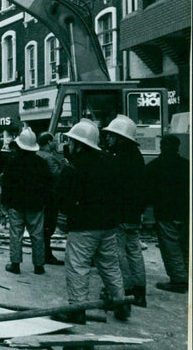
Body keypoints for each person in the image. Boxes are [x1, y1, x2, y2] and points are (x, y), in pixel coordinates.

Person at [53, 119, 130, 324]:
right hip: (108, 224)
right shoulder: (109, 162)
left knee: (78, 266)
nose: (68, 145)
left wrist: (68, 213)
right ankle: (120, 302)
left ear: (79, 144)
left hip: (83, 225)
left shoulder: (73, 168)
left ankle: (77, 309)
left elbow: (62, 198)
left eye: (70, 141)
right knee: (109, 264)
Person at [102, 115, 148, 307]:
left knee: (118, 253)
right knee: (134, 251)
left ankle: (126, 289)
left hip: (120, 214)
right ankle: (139, 292)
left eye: (111, 136)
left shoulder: (118, 160)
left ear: (120, 138)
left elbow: (113, 188)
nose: (108, 139)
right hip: (133, 214)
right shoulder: (136, 157)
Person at [0, 127, 52, 275]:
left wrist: (4, 204)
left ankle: (15, 264)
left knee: (16, 235)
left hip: (16, 204)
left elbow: (6, 185)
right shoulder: (41, 163)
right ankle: (39, 265)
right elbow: (48, 185)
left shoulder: (12, 162)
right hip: (35, 205)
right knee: (37, 235)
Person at [144, 135, 189, 293]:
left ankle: (178, 280)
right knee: (185, 246)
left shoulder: (155, 166)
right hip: (185, 213)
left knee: (171, 247)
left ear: (162, 147)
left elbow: (147, 191)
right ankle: (187, 275)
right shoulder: (186, 165)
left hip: (165, 213)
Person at [36, 132, 67, 266]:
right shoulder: (49, 158)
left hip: (40, 197)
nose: (55, 143)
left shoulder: (37, 155)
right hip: (50, 197)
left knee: (40, 227)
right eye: (53, 141)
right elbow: (57, 176)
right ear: (48, 142)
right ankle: (46, 255)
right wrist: (64, 165)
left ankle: (41, 253)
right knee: (49, 227)